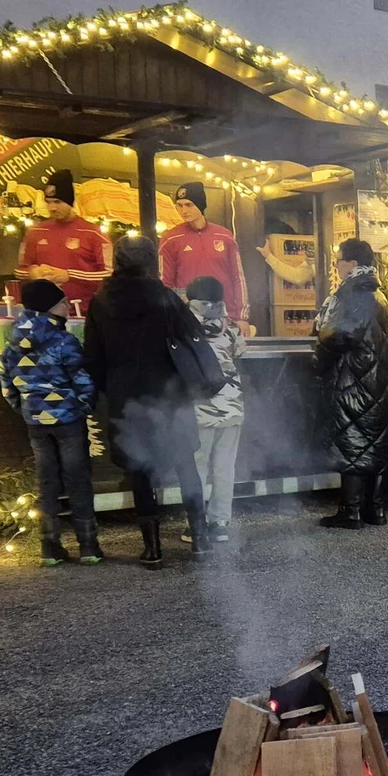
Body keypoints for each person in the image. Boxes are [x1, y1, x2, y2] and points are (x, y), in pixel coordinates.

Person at [84, 236, 208, 567]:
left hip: (127, 398)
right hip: (170, 395)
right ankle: (201, 539)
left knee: (140, 471)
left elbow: (93, 356)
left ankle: (152, 547)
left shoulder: (101, 301)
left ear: (118, 261)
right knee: (185, 464)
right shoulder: (166, 297)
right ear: (151, 260)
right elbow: (192, 336)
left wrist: (104, 391)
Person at [0, 278, 101, 566]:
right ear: (51, 307)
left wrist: (26, 409)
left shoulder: (12, 342)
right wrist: (83, 406)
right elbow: (82, 380)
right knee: (77, 479)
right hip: (68, 419)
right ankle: (89, 546)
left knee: (47, 482)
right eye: (63, 302)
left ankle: (50, 547)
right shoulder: (63, 341)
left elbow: (7, 384)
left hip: (35, 422)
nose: (68, 307)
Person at [315, 239, 388, 530]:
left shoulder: (352, 293)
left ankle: (350, 512)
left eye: (338, 260)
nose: (336, 266)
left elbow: (337, 336)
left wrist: (321, 354)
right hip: (376, 380)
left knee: (353, 441)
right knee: (371, 442)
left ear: (350, 264)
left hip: (353, 379)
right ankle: (374, 509)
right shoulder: (378, 294)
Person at [185, 276, 245, 545]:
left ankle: (196, 524)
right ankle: (220, 523)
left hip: (200, 408)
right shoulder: (231, 327)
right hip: (231, 406)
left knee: (196, 467)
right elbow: (240, 353)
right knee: (224, 467)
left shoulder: (184, 328)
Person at [15, 169, 111, 310]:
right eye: (48, 202)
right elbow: (19, 271)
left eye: (58, 202)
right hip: (44, 314)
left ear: (70, 201)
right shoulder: (34, 232)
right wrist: (32, 273)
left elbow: (109, 275)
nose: (52, 208)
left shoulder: (94, 233)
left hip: (84, 313)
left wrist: (68, 275)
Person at [159, 182, 248, 324]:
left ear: (201, 205)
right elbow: (165, 283)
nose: (183, 210)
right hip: (189, 318)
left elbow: (238, 277)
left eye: (189, 205)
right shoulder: (170, 239)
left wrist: (242, 317)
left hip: (226, 316)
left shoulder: (225, 236)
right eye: (179, 205)